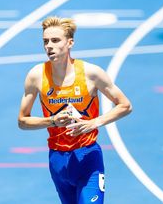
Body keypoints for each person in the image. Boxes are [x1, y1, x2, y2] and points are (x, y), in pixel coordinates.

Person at [18, 16, 132, 204]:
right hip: (57, 160)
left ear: (70, 43)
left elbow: (125, 105)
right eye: (45, 41)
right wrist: (52, 121)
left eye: (55, 40)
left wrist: (94, 122)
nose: (49, 46)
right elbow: (22, 121)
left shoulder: (91, 73)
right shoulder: (36, 76)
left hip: (87, 157)